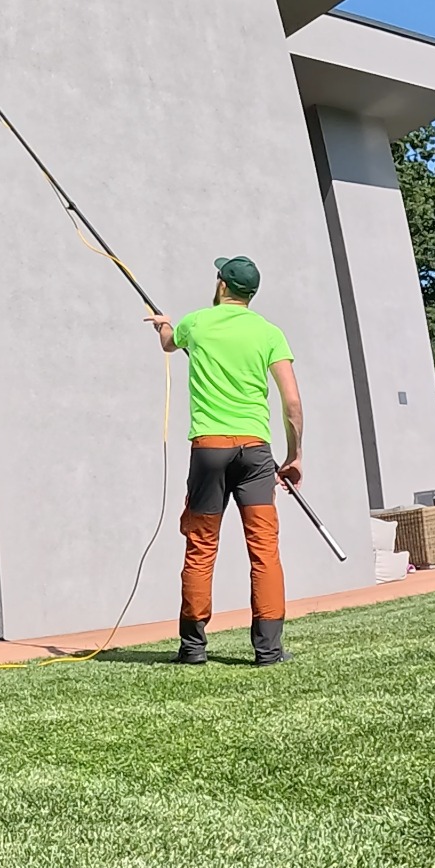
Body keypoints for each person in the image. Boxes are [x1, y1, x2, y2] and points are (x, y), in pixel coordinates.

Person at [144, 255, 302, 667]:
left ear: (220, 285)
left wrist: (164, 324)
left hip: (209, 450)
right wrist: (294, 455)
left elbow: (168, 343)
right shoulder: (270, 333)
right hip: (256, 451)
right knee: (265, 549)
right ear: (251, 293)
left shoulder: (196, 323)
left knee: (201, 546)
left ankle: (193, 648)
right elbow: (292, 403)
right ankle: (268, 650)